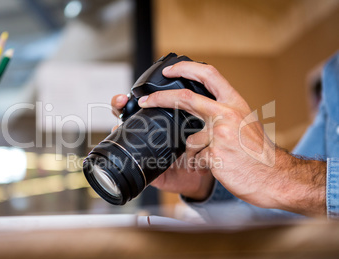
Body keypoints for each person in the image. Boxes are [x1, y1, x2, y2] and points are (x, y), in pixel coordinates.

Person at [111, 52, 339, 221]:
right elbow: (288, 217)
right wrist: (204, 185)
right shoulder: (333, 76)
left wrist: (278, 175)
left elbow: (292, 186)